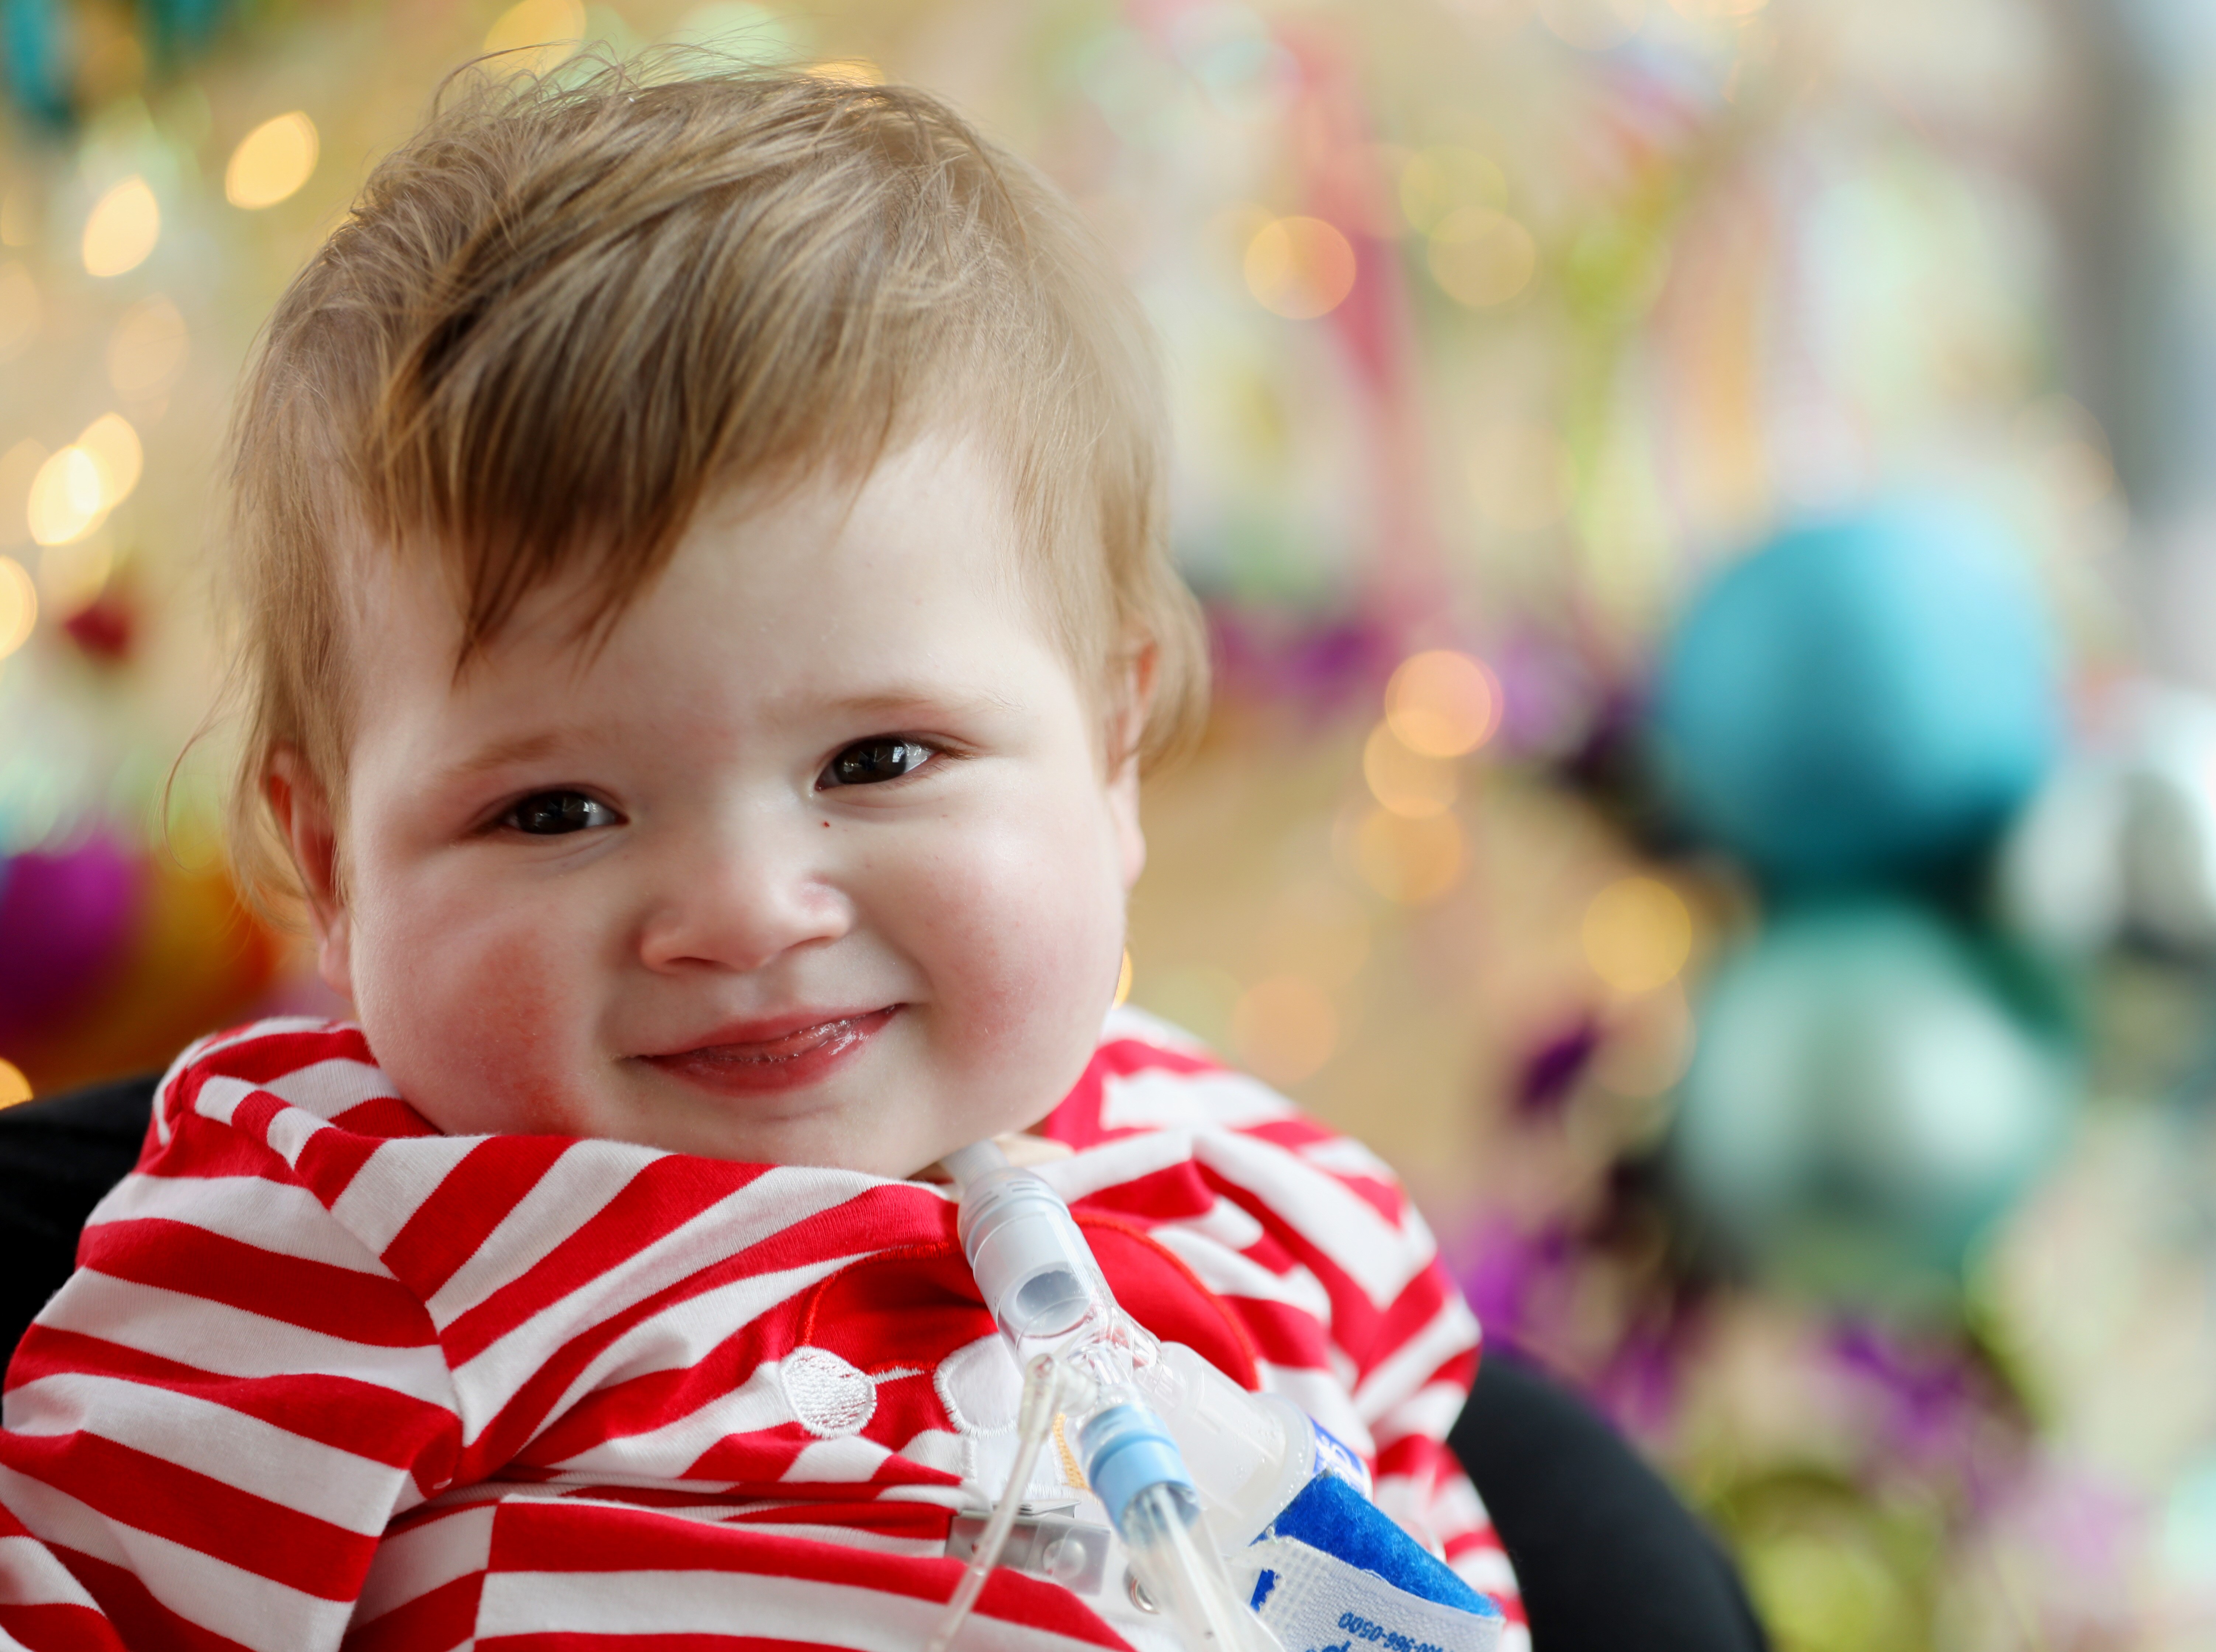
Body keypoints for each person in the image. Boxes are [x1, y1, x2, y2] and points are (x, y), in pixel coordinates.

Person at [0, 59, 1517, 1652]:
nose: (739, 912)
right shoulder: (350, 1237)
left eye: (879, 760)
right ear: (330, 860)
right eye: (555, 811)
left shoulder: (1274, 1207)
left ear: (1114, 745)